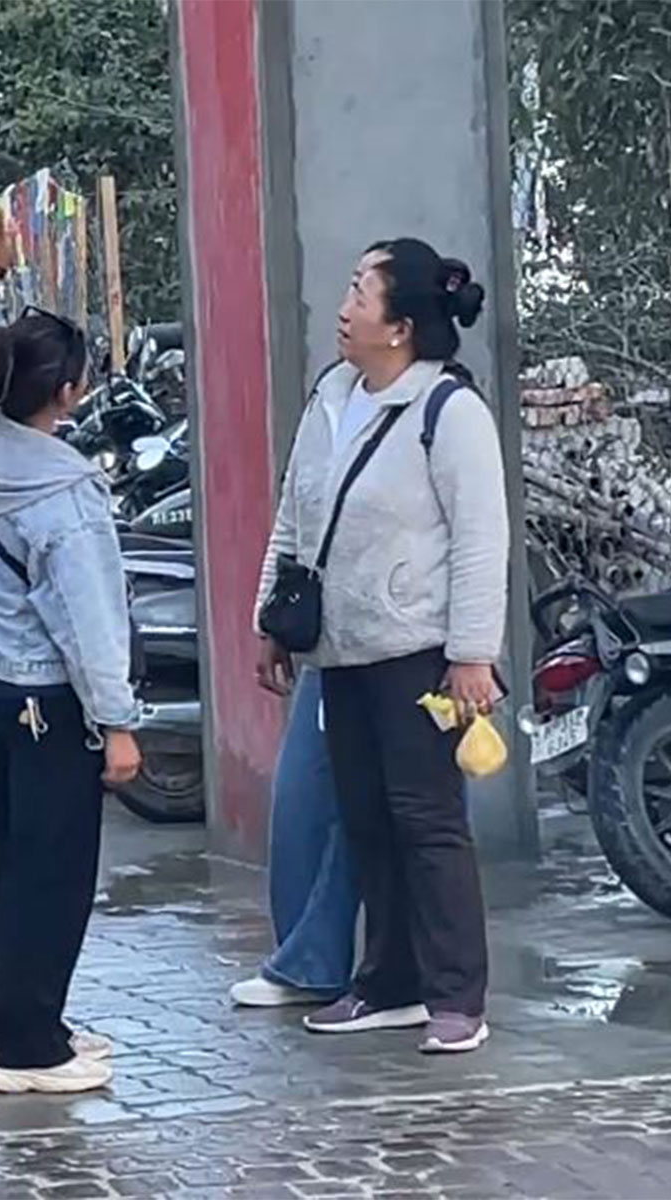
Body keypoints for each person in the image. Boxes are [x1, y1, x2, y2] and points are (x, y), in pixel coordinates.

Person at [255, 238, 508, 1054]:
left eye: (361, 291)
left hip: (418, 653)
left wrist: (472, 652)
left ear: (399, 325)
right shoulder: (333, 395)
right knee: (365, 819)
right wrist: (273, 619)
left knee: (428, 822)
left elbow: (480, 539)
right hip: (342, 651)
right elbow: (294, 518)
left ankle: (457, 995)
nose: (345, 305)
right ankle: (389, 982)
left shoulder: (449, 412)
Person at [0, 209, 143, 1095]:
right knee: (51, 874)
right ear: (69, 397)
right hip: (47, 699)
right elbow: (91, 626)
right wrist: (119, 724)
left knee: (2, 857)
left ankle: (23, 1019)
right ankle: (25, 1049)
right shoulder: (63, 494)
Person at [229, 668, 357, 1006]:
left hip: (409, 644)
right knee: (301, 798)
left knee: (383, 805)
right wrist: (274, 623)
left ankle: (314, 961)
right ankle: (308, 962)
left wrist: (471, 654)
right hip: (331, 647)